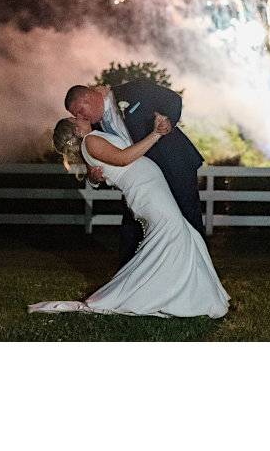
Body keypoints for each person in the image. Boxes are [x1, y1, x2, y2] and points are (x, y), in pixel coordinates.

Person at [27, 114, 229, 318]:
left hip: (149, 191)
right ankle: (169, 297)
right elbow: (123, 159)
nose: (80, 116)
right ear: (77, 131)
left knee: (182, 236)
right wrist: (156, 134)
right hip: (146, 192)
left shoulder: (93, 139)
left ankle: (191, 295)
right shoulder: (91, 140)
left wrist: (94, 176)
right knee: (173, 236)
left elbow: (103, 167)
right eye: (75, 118)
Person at [65, 80, 205, 266]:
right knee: (132, 225)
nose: (81, 117)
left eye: (81, 110)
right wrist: (93, 178)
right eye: (76, 116)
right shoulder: (94, 130)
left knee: (188, 215)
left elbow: (172, 99)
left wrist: (168, 121)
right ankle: (130, 275)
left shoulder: (133, 90)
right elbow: (95, 166)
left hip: (174, 164)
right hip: (141, 181)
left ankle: (198, 267)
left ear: (89, 96)